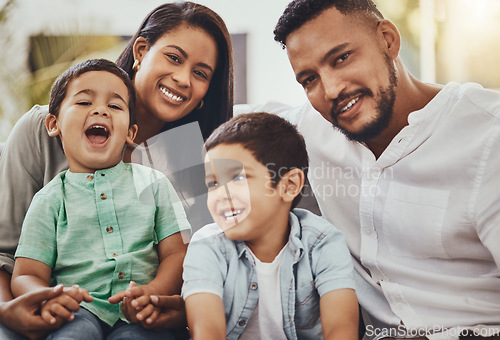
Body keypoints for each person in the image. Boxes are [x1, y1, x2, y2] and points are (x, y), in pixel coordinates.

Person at [236, 0, 500, 339]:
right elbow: (205, 122)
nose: (331, 90)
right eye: (309, 79)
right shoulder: (307, 132)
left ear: (388, 40)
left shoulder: (488, 138)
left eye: (342, 58)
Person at [0, 2, 233, 338]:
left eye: (200, 73)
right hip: (51, 312)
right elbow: (6, 252)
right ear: (141, 50)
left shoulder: (201, 158)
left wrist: (180, 307)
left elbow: (201, 262)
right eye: (174, 57)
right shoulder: (43, 128)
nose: (182, 79)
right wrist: (8, 312)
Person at [11, 58, 191, 340]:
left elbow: (176, 253)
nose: (100, 110)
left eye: (115, 106)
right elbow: (25, 275)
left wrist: (153, 292)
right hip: (77, 310)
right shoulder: (48, 199)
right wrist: (50, 297)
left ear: (130, 133)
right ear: (53, 124)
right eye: (84, 103)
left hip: (142, 314)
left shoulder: (154, 184)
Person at [182, 112, 359, 340]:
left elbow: (341, 331)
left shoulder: (323, 242)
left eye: (238, 178)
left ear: (289, 186)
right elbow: (207, 332)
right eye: (213, 183)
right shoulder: (206, 245)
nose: (221, 195)